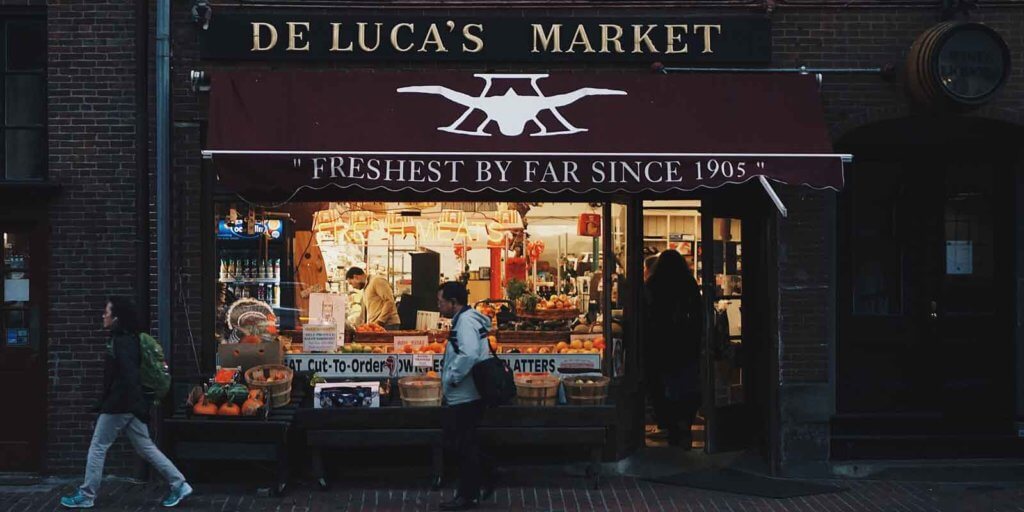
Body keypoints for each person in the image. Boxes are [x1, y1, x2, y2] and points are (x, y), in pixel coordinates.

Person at [61, 297, 192, 509]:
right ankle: (180, 484)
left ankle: (86, 494)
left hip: (120, 405)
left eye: (107, 312)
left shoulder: (122, 342)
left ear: (116, 318)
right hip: (129, 405)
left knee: (98, 447)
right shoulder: (127, 339)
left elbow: (129, 376)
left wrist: (133, 404)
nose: (103, 315)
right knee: (145, 446)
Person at [437, 281, 495, 511]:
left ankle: (468, 494)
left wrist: (452, 377)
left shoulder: (465, 323)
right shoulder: (464, 320)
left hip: (466, 395)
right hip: (466, 393)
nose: (438, 306)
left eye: (441, 302)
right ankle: (482, 480)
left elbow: (469, 353)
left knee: (464, 447)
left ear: (453, 303)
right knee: (465, 444)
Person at [644, 250, 703, 447]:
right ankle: (684, 424)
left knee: (661, 385)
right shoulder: (689, 283)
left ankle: (669, 425)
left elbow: (646, 313)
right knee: (686, 384)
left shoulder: (653, 284)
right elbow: (699, 313)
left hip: (660, 343)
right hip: (686, 344)